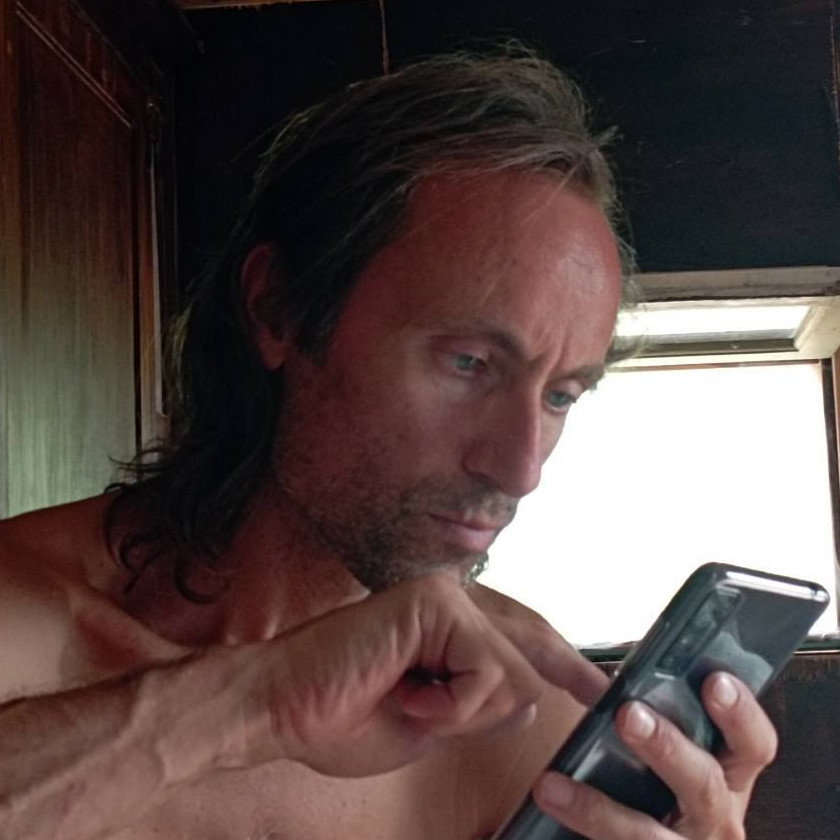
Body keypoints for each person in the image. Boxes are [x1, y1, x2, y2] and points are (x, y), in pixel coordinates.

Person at [0, 51, 776, 840]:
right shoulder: (22, 617)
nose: (520, 469)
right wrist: (245, 706)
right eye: (469, 363)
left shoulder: (528, 738)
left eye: (560, 396)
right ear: (278, 309)